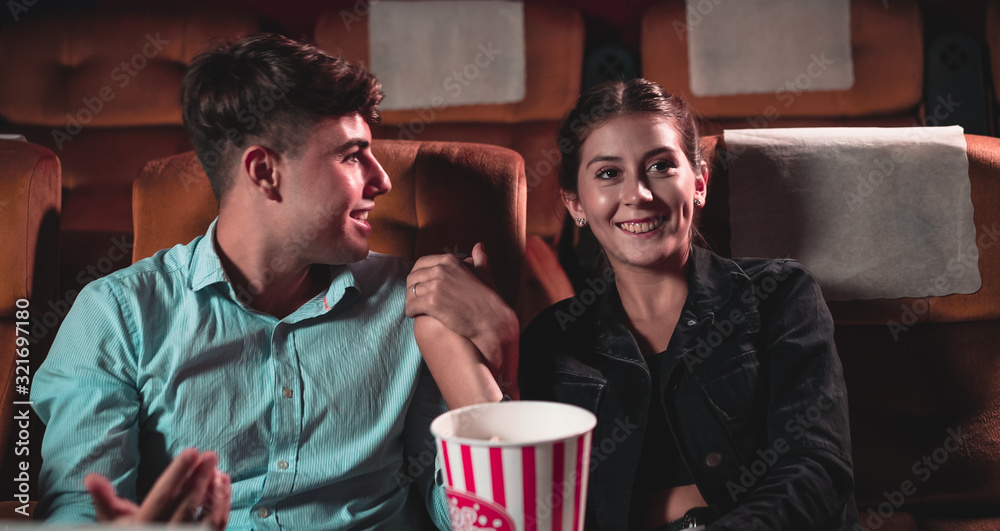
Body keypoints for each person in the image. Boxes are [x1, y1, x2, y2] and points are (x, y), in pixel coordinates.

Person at [30, 33, 515, 528]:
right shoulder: (115, 317)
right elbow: (80, 513)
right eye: (351, 155)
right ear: (264, 172)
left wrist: (496, 361)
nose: (382, 180)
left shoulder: (411, 302)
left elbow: (473, 516)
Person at [517, 79, 859, 530]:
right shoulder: (552, 339)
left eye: (660, 166)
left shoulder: (778, 293)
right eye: (607, 173)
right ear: (575, 203)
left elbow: (818, 470)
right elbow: (540, 505)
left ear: (698, 183)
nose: (637, 194)